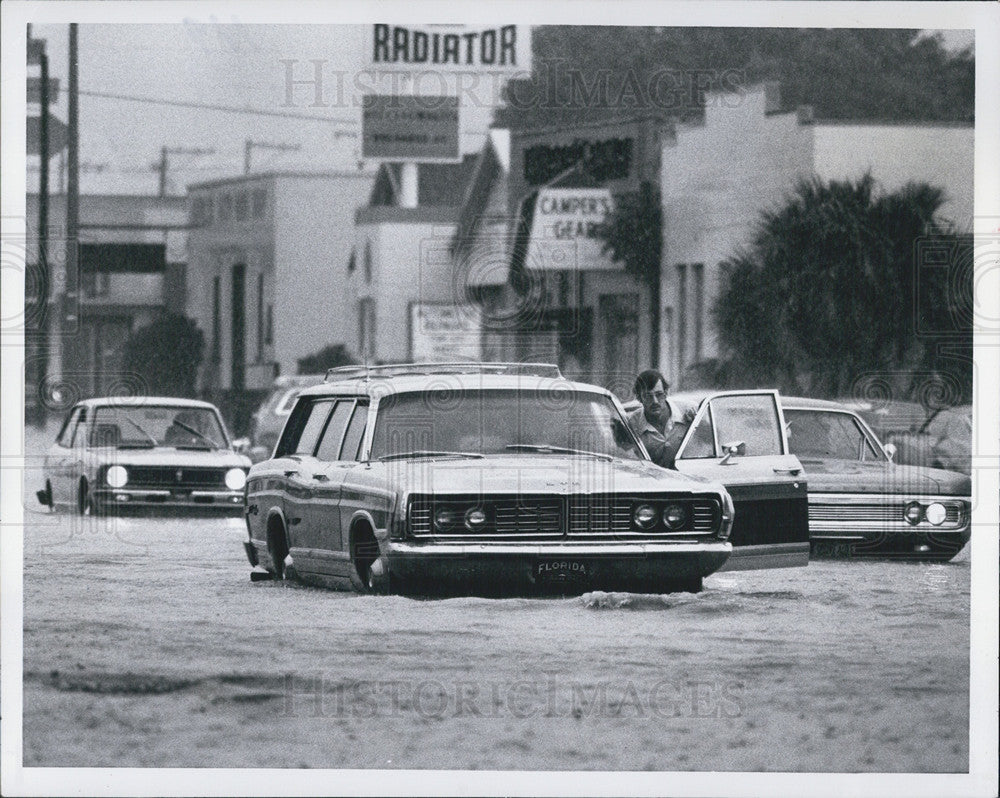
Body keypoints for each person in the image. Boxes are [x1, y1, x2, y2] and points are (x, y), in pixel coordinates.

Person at [627, 369, 695, 469]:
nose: (655, 401)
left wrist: (698, 423)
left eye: (659, 395)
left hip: (690, 477)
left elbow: (710, 438)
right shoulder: (632, 424)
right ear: (639, 398)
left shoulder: (688, 411)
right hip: (655, 481)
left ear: (666, 393)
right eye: (648, 396)